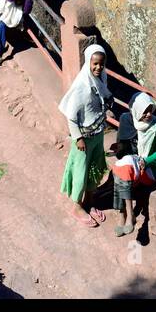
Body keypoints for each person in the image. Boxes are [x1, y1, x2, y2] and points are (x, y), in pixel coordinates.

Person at [58, 43, 113, 227]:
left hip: (97, 134)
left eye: (101, 64)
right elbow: (71, 116)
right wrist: (78, 137)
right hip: (84, 139)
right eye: (95, 63)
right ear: (88, 62)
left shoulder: (99, 79)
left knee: (94, 168)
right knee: (81, 171)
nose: (98, 68)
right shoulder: (82, 86)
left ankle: (89, 202)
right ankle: (76, 206)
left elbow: (103, 96)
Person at [110, 91, 156, 236]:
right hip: (134, 165)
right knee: (122, 169)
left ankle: (125, 215)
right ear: (136, 110)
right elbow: (123, 146)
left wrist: (146, 160)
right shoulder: (127, 119)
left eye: (150, 110)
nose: (148, 115)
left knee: (122, 172)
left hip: (150, 169)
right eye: (144, 111)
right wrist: (118, 148)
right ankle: (127, 214)